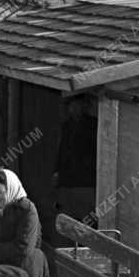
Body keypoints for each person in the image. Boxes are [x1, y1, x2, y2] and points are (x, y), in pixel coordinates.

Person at [52, 96, 98, 228]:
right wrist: (57, 171)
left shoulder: (93, 125)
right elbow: (62, 150)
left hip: (86, 180)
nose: (74, 109)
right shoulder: (67, 126)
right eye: (72, 106)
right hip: (68, 179)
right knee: (69, 216)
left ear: (84, 106)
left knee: (87, 218)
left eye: (77, 105)